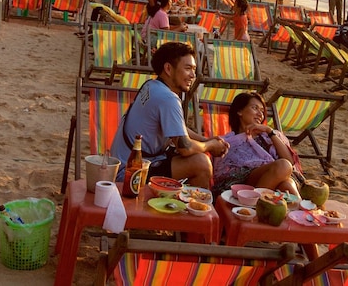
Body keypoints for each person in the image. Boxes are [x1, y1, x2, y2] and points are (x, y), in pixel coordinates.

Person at [111, 42, 229, 190]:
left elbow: (178, 128)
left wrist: (205, 139)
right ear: (168, 68)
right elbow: (184, 147)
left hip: (123, 164)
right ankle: (198, 210)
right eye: (188, 69)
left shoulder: (151, 85)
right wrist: (210, 146)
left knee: (197, 156)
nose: (193, 75)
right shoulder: (168, 98)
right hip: (130, 174)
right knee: (201, 163)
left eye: (194, 69)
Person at [212, 91, 302, 196]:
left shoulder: (269, 137)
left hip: (272, 180)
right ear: (240, 111)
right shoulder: (227, 141)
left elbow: (290, 162)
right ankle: (254, 202)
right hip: (240, 184)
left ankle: (255, 206)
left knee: (287, 185)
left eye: (262, 111)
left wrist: (269, 131)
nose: (260, 114)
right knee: (283, 166)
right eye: (255, 108)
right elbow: (224, 175)